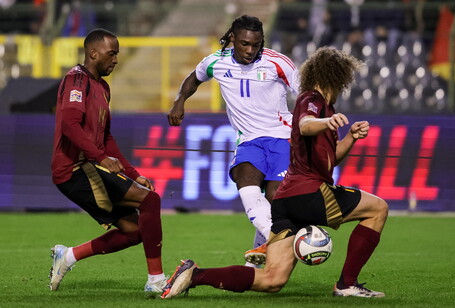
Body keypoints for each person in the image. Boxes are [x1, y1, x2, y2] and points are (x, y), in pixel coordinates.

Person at [161, 46, 388, 299]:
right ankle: (347, 284)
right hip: (310, 194)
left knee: (272, 279)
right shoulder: (311, 100)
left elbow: (331, 157)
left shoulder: (325, 109)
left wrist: (351, 138)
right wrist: (324, 122)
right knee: (378, 208)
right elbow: (304, 125)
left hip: (285, 201)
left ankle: (195, 275)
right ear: (338, 78)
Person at [167, 15, 299, 266]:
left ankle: (255, 262)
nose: (251, 50)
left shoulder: (278, 63)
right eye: (244, 44)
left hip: (282, 138)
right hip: (248, 140)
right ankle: (280, 239)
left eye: (256, 44)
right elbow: (193, 79)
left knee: (275, 202)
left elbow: (305, 94)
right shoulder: (216, 62)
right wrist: (179, 102)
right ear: (232, 39)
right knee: (245, 180)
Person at [49, 28, 167, 295]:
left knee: (134, 232)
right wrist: (100, 157)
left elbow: (106, 137)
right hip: (73, 170)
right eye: (111, 53)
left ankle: (67, 257)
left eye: (117, 54)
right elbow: (69, 124)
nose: (115, 59)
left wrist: (133, 173)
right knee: (150, 201)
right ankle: (156, 279)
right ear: (93, 53)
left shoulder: (102, 87)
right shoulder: (76, 81)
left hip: (89, 165)